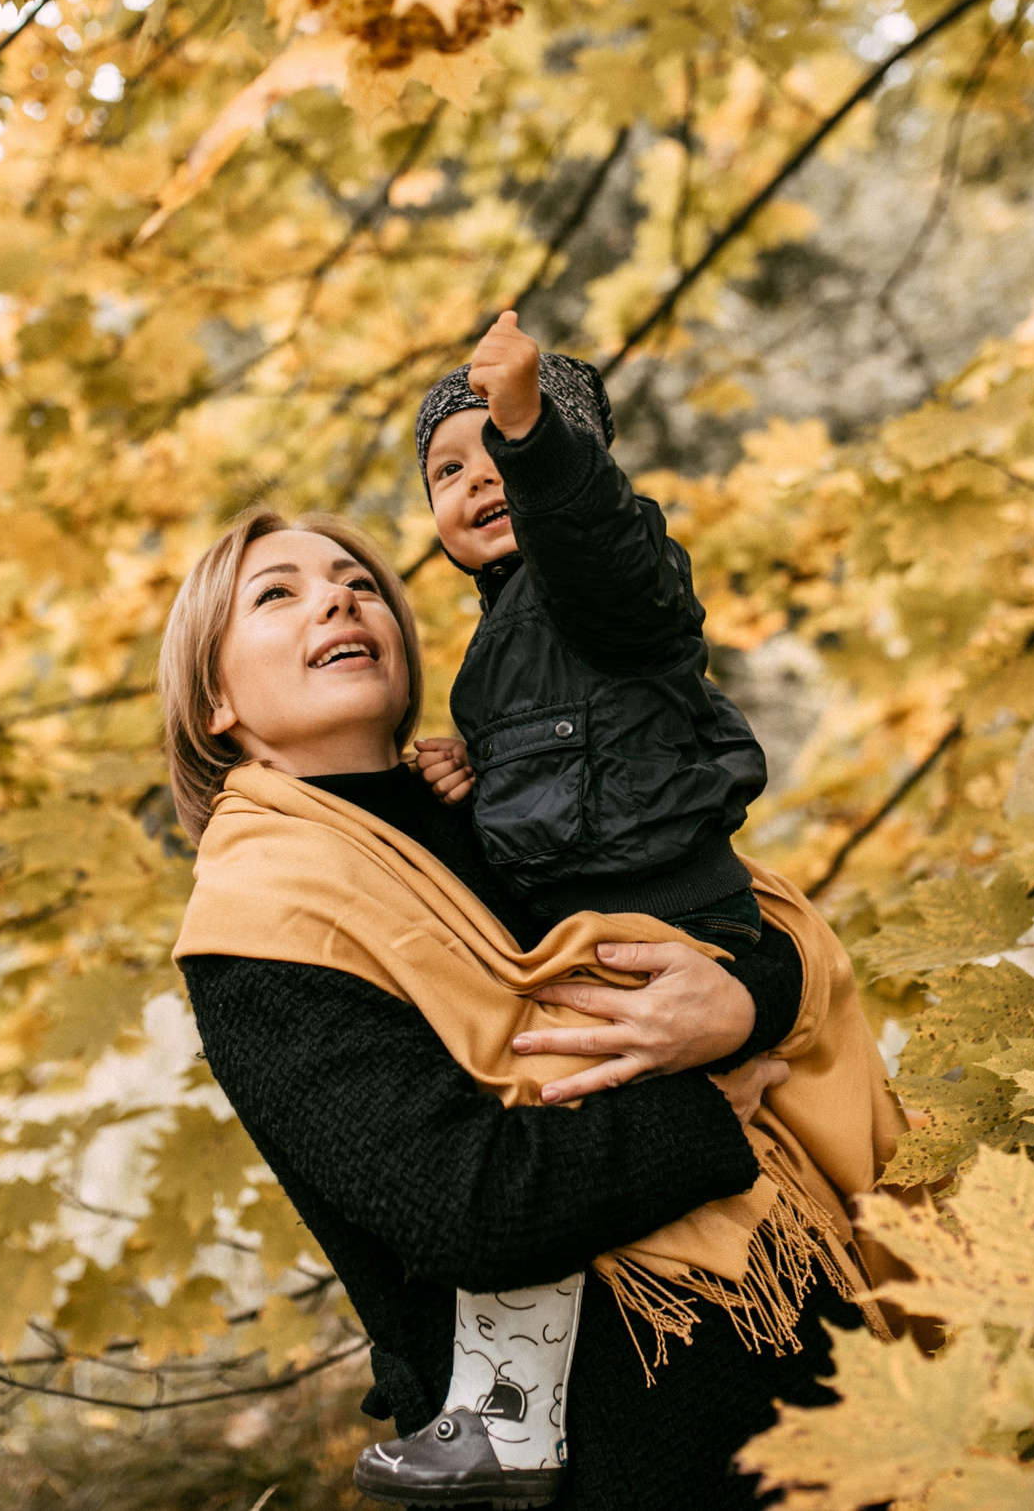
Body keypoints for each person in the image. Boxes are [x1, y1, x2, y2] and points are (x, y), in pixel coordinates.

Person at [160, 511, 903, 1510]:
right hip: (632, 1445)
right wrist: (707, 1104)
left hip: (837, 1344)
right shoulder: (260, 934)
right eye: (276, 593)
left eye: (358, 582)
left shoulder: (511, 802)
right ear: (213, 701)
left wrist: (735, 1006)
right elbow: (472, 1209)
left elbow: (736, 924)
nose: (337, 597)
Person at [353, 313, 789, 1502]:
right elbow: (578, 768)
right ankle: (507, 1402)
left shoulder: (607, 581)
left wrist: (534, 431)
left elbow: (596, 542)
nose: (476, 478)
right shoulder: (500, 646)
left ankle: (502, 1416)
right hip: (600, 927)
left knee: (542, 1115)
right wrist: (475, 770)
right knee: (531, 1120)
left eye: (499, 452)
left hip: (666, 926)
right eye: (447, 471)